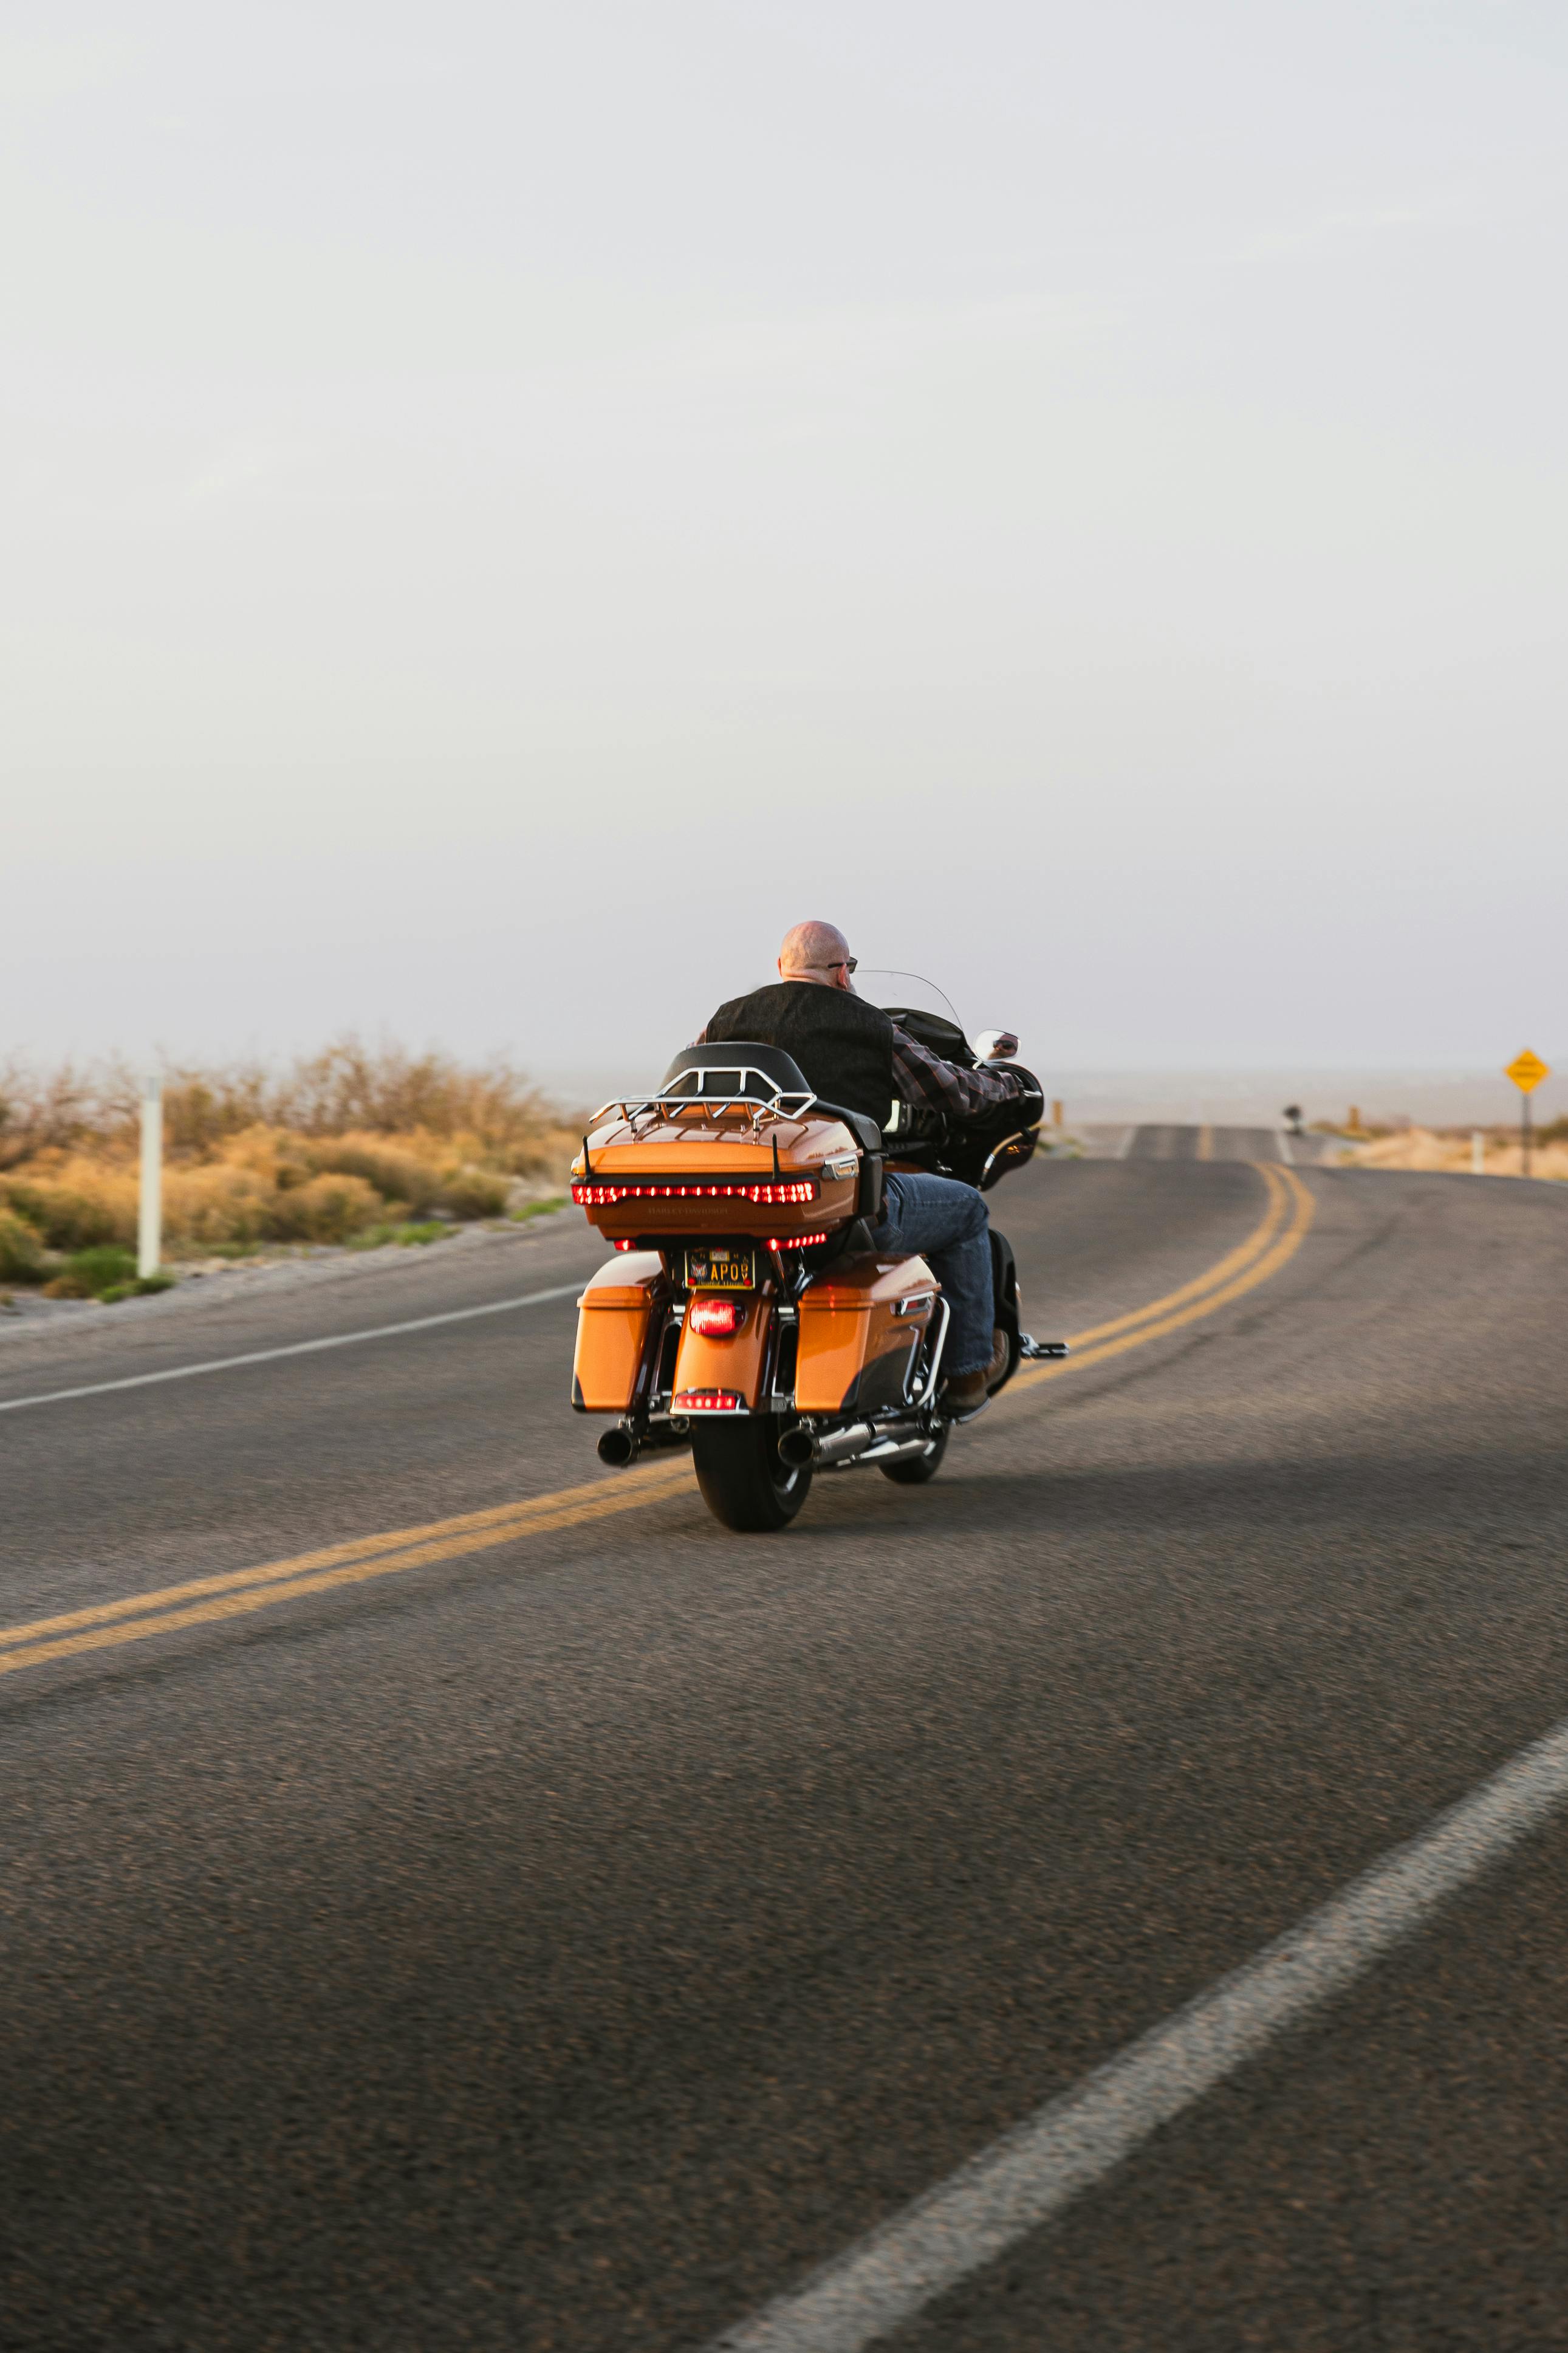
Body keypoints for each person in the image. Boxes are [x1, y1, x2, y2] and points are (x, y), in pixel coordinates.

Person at [697, 920, 1030, 1413]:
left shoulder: (726, 1019)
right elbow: (951, 1091)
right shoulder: (868, 1025)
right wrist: (1007, 1086)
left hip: (738, 1203)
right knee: (966, 1211)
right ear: (840, 973)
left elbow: (687, 1087)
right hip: (843, 1205)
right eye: (848, 968)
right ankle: (966, 1374)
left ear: (781, 968)